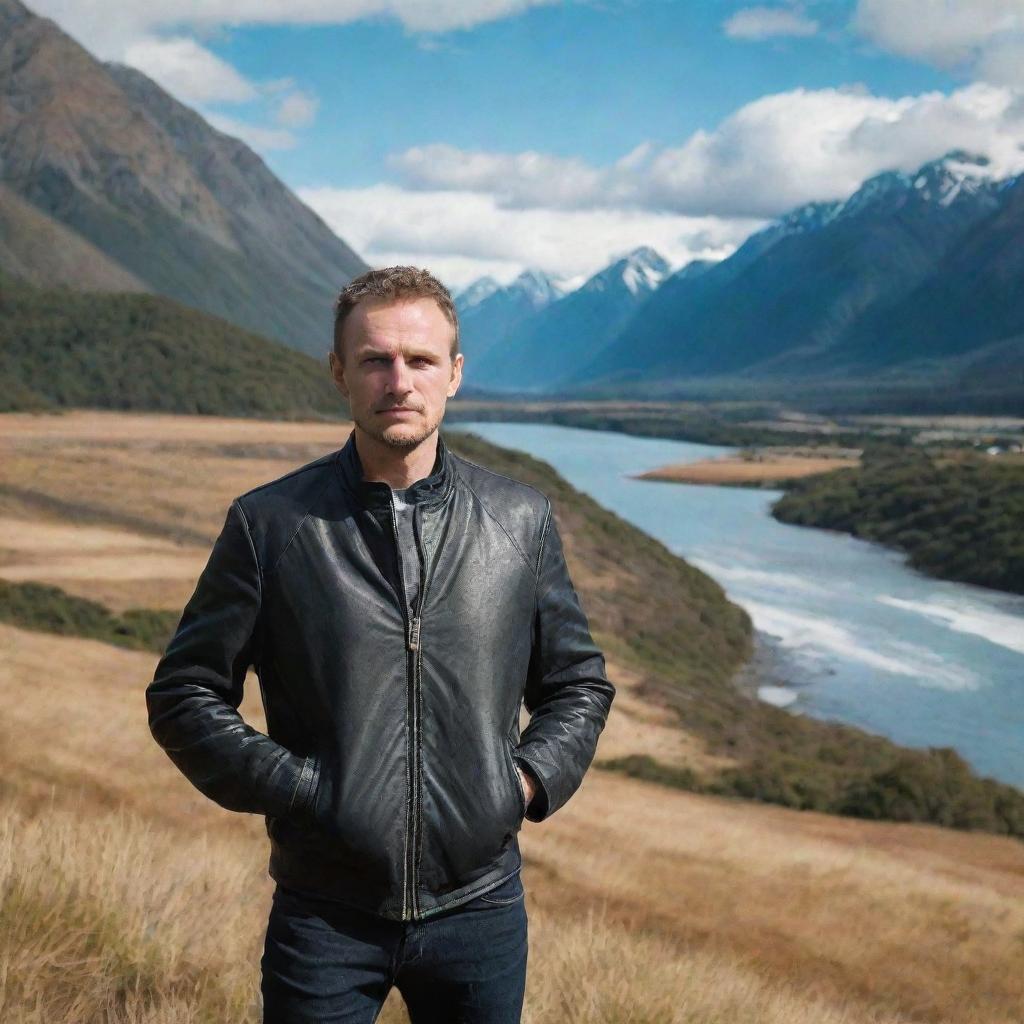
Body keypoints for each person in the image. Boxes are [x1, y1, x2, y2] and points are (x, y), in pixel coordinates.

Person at [145, 265, 616, 1023]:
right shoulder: (269, 527)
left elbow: (578, 684)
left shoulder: (519, 521)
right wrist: (303, 791)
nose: (399, 380)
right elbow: (184, 695)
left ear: (455, 374)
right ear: (340, 373)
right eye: (375, 360)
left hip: (481, 911)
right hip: (323, 915)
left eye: (421, 360)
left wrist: (521, 784)